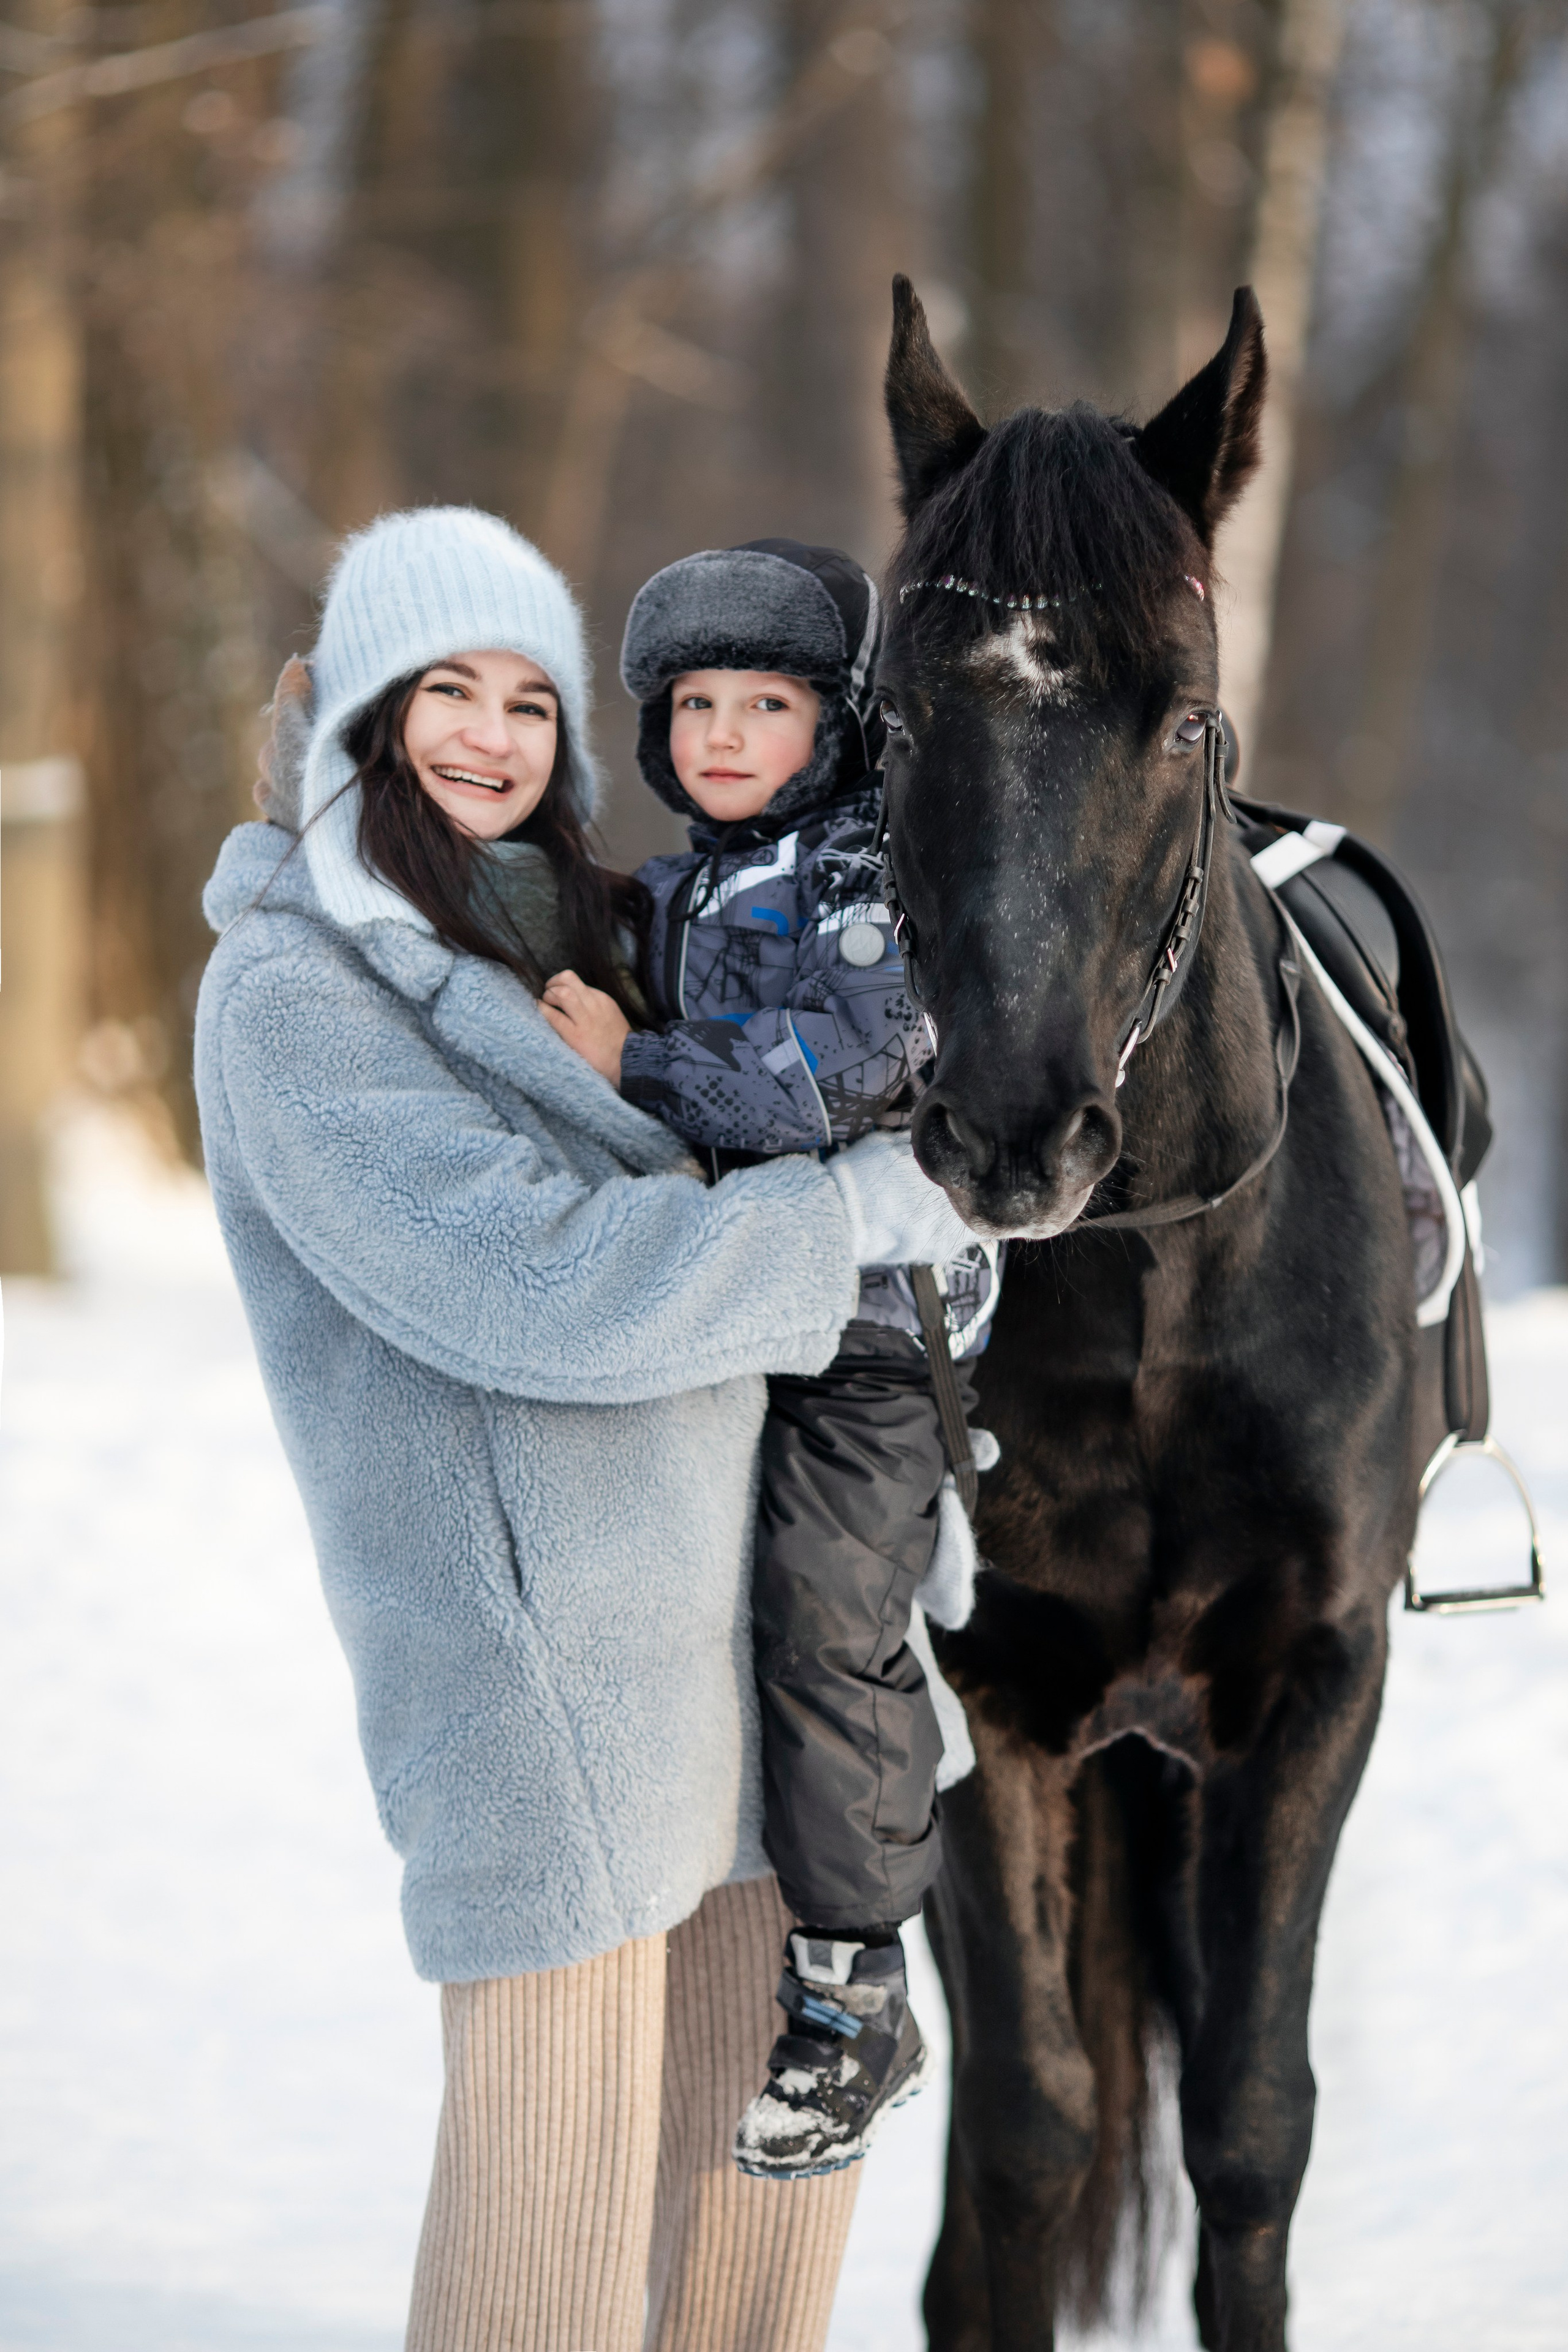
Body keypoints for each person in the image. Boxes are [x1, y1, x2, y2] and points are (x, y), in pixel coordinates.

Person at [196, 506, 976, 2351]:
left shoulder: (599, 928)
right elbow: (537, 1279)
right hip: (540, 1684)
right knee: (549, 2228)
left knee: (758, 2208)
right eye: (442, 691)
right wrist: (838, 1224)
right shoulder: (300, 992)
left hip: (730, 1647)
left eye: (528, 701)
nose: (487, 735)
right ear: (356, 719)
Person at [537, 539, 1000, 2181]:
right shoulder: (685, 881)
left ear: (836, 721)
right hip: (733, 1316)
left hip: (871, 1333)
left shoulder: (861, 880)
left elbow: (840, 1076)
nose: (729, 733)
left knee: (820, 1610)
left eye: (772, 703)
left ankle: (855, 1985)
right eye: (698, 706)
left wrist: (641, 1062)